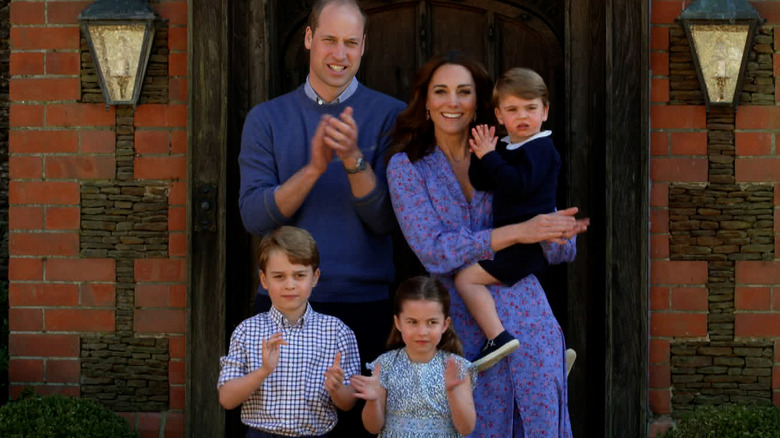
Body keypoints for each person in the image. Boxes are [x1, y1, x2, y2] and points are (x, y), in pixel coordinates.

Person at [386, 51, 588, 437]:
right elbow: (433, 249)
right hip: (458, 324)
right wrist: (517, 233)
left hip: (529, 316)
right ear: (425, 102)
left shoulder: (509, 152)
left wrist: (559, 233)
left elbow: (555, 242)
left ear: (478, 103)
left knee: (539, 425)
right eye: (441, 91)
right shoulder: (408, 167)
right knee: (477, 426)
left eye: (464, 92)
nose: (453, 102)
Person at [238, 0, 406, 434]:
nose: (340, 53)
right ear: (309, 39)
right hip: (285, 307)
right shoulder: (267, 119)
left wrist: (352, 159)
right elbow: (256, 216)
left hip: (364, 305)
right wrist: (313, 168)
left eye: (351, 42)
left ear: (364, 46)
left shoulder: (392, 116)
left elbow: (389, 220)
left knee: (361, 430)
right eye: (329, 39)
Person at [453, 67, 561, 371]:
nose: (522, 116)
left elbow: (518, 184)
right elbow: (483, 181)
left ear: (545, 111)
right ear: (500, 116)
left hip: (526, 245)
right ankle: (545, 354)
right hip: (511, 241)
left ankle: (497, 337)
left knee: (466, 278)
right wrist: (481, 153)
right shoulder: (508, 146)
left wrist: (491, 156)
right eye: (513, 110)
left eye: (530, 108)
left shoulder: (542, 149)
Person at [217, 226, 361, 437]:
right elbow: (227, 399)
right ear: (264, 280)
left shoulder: (337, 332)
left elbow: (348, 404)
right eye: (279, 276)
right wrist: (263, 371)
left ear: (315, 277)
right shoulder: (247, 331)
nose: (290, 285)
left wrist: (337, 388)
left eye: (299, 275)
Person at [352, 276, 476, 437]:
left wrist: (453, 392)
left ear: (445, 324)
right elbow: (373, 427)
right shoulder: (385, 365)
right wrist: (373, 401)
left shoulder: (457, 367)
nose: (422, 332)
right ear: (398, 323)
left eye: (432, 322)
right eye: (412, 322)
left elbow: (466, 428)